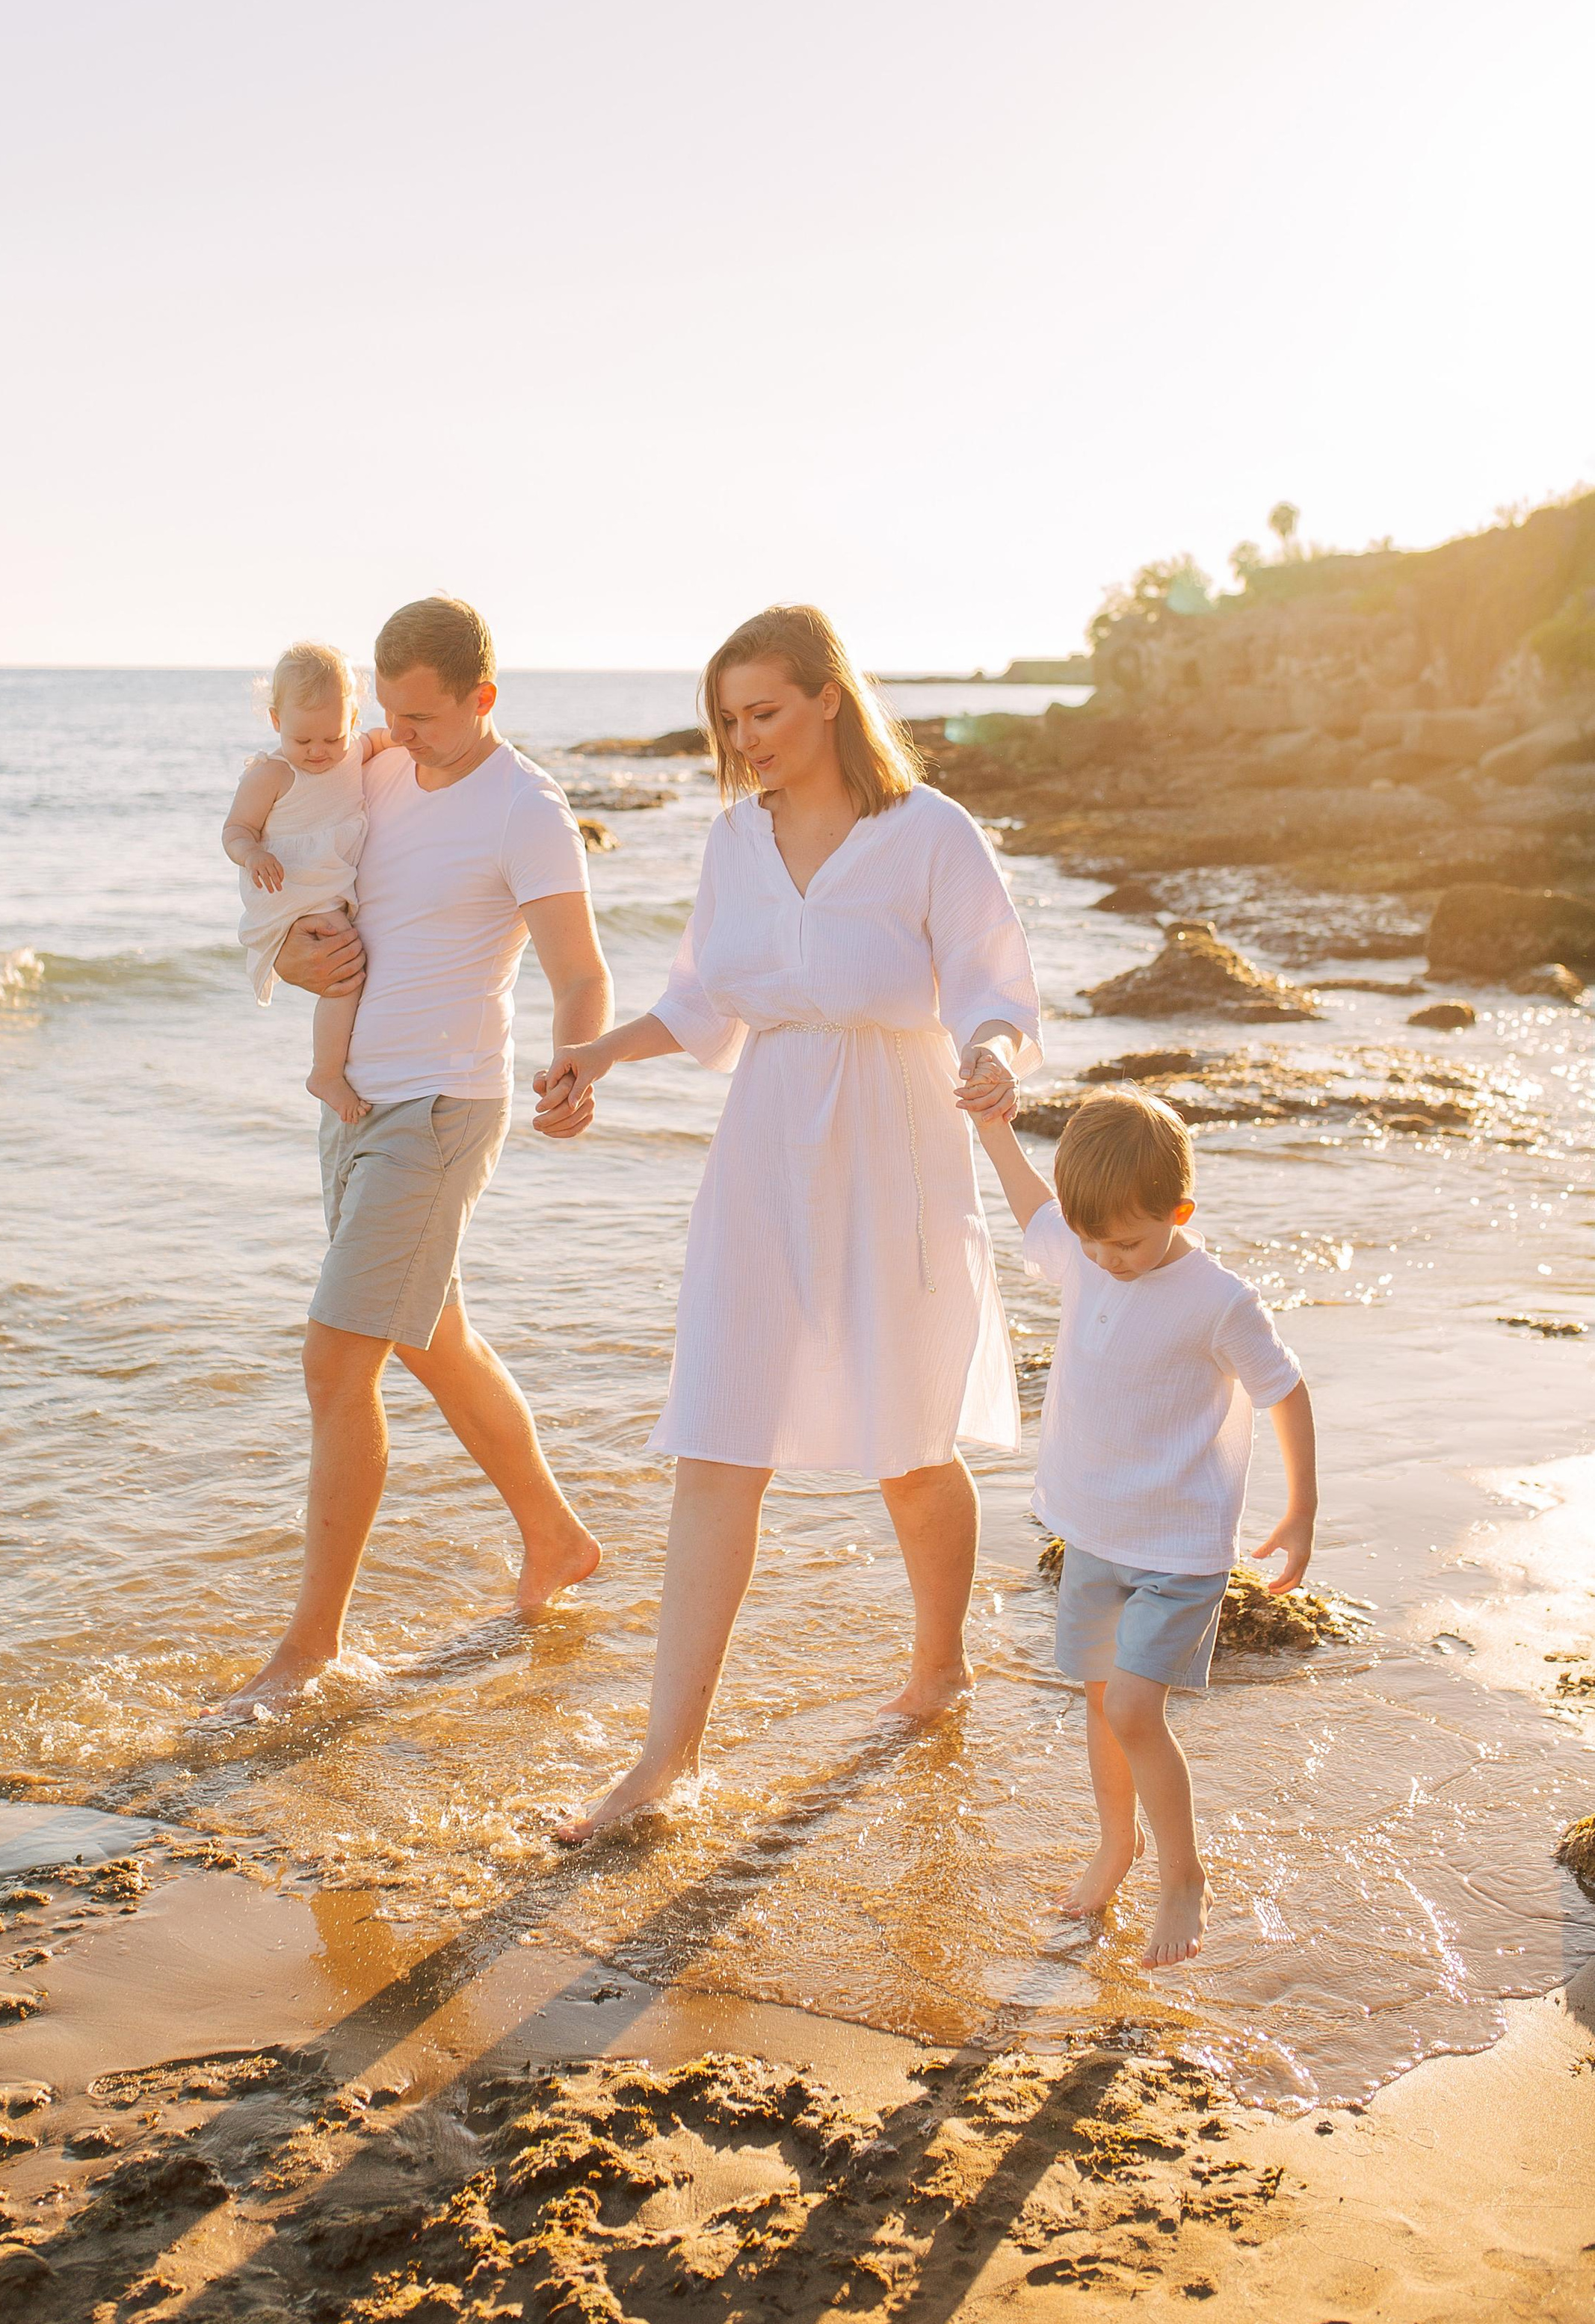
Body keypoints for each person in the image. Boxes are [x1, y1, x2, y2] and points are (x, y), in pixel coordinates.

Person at [534, 602, 1042, 1840]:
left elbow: (991, 980)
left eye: (764, 711)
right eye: (728, 720)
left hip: (900, 1140)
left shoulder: (929, 834)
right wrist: (600, 1053)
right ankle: (667, 1759)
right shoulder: (731, 844)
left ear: (828, 697)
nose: (746, 738)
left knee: (912, 1445)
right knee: (718, 1435)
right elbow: (705, 999)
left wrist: (989, 1050)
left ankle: (941, 1666)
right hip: (763, 1146)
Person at [213, 596, 610, 1715]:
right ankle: (557, 1537)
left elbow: (580, 971)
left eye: (424, 717)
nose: (398, 735)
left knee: (337, 1363)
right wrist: (293, 959)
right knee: (436, 1337)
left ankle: (308, 1651)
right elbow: (294, 872)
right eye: (387, 713)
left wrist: (580, 1066)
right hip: (352, 1108)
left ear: (483, 700)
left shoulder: (527, 807)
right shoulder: (377, 765)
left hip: (439, 1111)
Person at [975, 1087, 1318, 1968]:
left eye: (1127, 1240)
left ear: (1179, 1213)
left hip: (1178, 1549)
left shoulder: (1217, 1301)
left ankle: (1181, 1876)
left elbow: (1285, 1390)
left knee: (1133, 1706)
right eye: (1094, 1240)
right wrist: (992, 1129)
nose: (1106, 1257)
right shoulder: (1087, 1249)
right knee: (1099, 1699)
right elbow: (1032, 1210)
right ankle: (1114, 1845)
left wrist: (1300, 1512)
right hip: (1093, 1532)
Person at [221, 640, 389, 1122]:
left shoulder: (353, 749)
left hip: (327, 885)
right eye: (302, 740)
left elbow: (384, 739)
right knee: (344, 973)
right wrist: (251, 854)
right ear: (277, 722)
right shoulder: (271, 774)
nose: (318, 752)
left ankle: (328, 1068)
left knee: (347, 967)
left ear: (353, 718)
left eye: (332, 738)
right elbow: (236, 830)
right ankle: (325, 1073)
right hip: (287, 887)